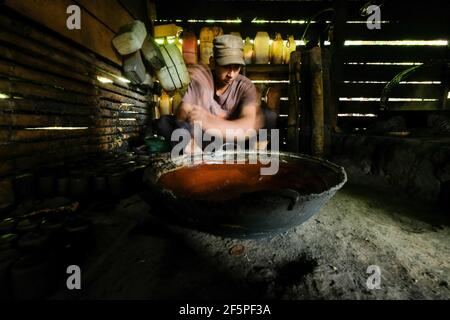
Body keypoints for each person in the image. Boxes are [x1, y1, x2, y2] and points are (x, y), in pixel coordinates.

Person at [155, 34, 265, 153]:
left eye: (236, 67)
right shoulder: (201, 79)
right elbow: (183, 112)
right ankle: (196, 148)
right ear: (213, 62)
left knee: (265, 119)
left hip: (230, 136)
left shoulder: (245, 86)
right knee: (164, 123)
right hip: (204, 135)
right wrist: (188, 122)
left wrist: (210, 121)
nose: (231, 74)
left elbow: (247, 124)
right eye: (226, 66)